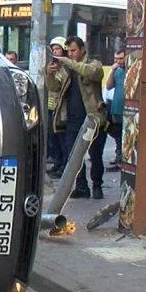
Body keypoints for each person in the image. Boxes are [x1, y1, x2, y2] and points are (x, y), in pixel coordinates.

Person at [53, 36, 107, 199]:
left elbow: (93, 73)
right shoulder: (66, 69)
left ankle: (97, 185)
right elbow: (54, 87)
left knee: (95, 154)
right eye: (68, 51)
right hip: (72, 119)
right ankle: (81, 186)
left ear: (82, 49)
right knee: (73, 155)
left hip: (92, 117)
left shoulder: (93, 64)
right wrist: (50, 73)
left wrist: (68, 62)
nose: (71, 54)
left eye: (74, 50)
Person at [43, 37, 68, 177]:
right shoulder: (53, 65)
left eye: (57, 49)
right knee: (53, 139)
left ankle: (63, 166)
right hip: (52, 107)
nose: (55, 52)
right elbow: (51, 87)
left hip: (63, 109)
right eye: (53, 50)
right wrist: (49, 73)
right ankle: (57, 163)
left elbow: (60, 86)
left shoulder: (67, 67)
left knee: (63, 140)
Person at [104, 50, 126, 169]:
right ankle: (118, 157)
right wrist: (112, 70)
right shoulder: (117, 70)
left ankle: (122, 159)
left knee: (124, 135)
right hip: (116, 107)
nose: (118, 61)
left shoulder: (130, 70)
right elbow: (108, 86)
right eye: (116, 59)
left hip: (126, 108)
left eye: (120, 58)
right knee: (117, 134)